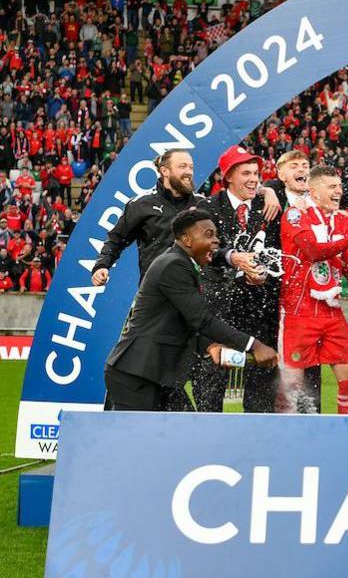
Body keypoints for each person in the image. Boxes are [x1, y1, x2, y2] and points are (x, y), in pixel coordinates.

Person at [105, 209, 277, 411]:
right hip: (137, 374)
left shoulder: (182, 263)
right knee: (141, 441)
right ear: (186, 240)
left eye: (215, 235)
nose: (216, 241)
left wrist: (209, 346)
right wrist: (254, 345)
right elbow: (202, 320)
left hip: (158, 374)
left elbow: (183, 320)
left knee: (185, 434)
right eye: (208, 235)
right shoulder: (174, 265)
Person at [278, 166, 348, 414]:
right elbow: (312, 250)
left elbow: (346, 270)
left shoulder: (342, 220)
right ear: (313, 191)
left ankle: (346, 434)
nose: (339, 191)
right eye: (332, 187)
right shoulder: (295, 215)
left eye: (340, 187)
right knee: (292, 385)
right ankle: (289, 440)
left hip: (331, 310)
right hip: (298, 309)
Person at [194, 145, 282, 413]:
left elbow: (277, 251)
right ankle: (208, 446)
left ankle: (258, 448)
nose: (254, 179)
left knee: (261, 391)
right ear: (228, 176)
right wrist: (234, 258)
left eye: (256, 173)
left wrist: (264, 272)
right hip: (219, 312)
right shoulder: (207, 207)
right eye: (246, 173)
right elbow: (204, 249)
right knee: (211, 387)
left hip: (260, 312)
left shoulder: (269, 206)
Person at [92, 149, 261, 284]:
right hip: (156, 294)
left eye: (191, 167)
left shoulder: (203, 204)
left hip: (195, 295)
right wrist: (102, 265)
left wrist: (266, 192)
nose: (189, 172)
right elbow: (117, 239)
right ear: (164, 171)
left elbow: (218, 247)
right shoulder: (141, 204)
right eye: (182, 166)